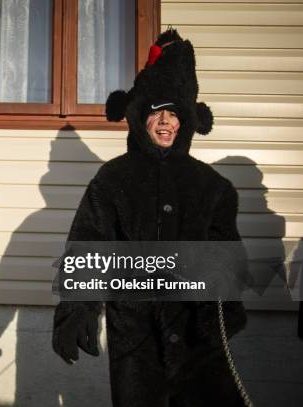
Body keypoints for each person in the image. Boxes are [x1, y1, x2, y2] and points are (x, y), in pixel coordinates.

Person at [52, 29, 250, 407]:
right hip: (134, 332)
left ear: (189, 121)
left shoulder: (213, 186)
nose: (165, 122)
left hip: (195, 330)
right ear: (139, 116)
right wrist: (77, 309)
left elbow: (226, 253)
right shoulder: (113, 179)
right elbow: (91, 243)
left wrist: (220, 305)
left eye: (174, 113)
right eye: (157, 111)